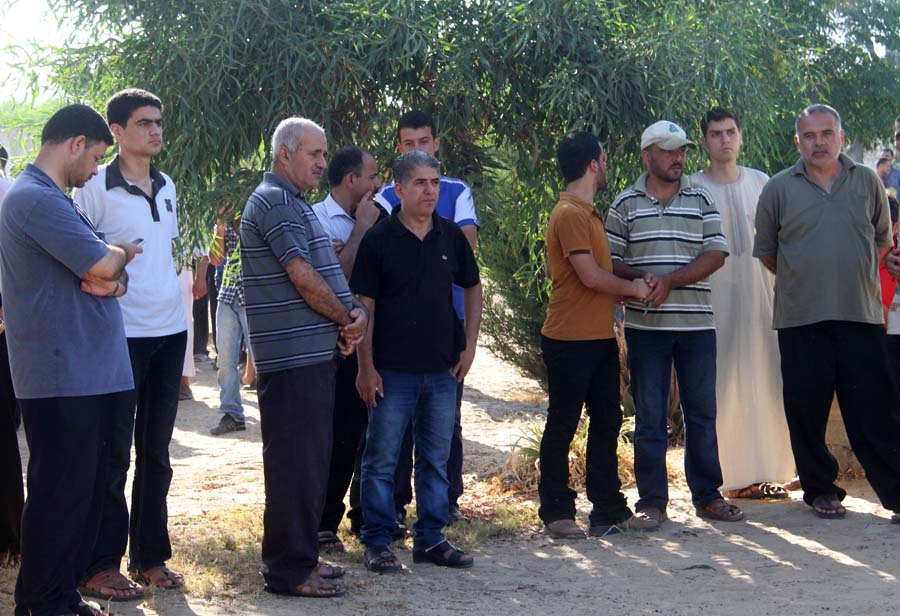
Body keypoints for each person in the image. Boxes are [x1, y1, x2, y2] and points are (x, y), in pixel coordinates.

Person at [0, 104, 140, 616]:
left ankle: (59, 594)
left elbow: (111, 280)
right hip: (61, 376)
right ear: (76, 144)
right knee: (58, 495)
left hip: (81, 373)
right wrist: (119, 252)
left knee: (76, 494)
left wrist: (113, 273)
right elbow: (104, 264)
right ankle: (41, 602)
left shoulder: (53, 199)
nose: (97, 170)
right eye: (97, 157)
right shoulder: (35, 199)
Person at [241, 117, 367, 598]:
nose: (322, 162)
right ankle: (289, 570)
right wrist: (345, 317)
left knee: (309, 462)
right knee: (295, 466)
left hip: (309, 356)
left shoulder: (291, 201)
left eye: (323, 153)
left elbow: (318, 270)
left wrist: (347, 321)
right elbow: (301, 274)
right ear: (284, 155)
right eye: (314, 153)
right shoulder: (274, 201)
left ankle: (302, 556)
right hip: (292, 362)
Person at [757, 104, 900, 522]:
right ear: (797, 140)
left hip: (861, 315)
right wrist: (807, 277)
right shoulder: (778, 189)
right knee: (806, 410)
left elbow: (881, 241)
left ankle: (896, 493)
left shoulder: (868, 181)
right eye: (809, 135)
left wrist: (847, 273)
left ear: (841, 136)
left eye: (826, 133)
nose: (818, 142)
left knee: (875, 411)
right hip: (801, 318)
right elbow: (768, 252)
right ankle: (820, 490)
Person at [75, 89, 187, 597]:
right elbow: (82, 259)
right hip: (119, 334)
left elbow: (165, 256)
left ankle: (150, 557)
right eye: (144, 123)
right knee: (113, 454)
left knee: (157, 453)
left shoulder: (167, 184)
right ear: (117, 131)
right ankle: (101, 564)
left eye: (158, 122)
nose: (155, 130)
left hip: (170, 331)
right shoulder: (94, 186)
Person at [605, 120, 743, 528]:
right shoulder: (625, 203)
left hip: (696, 326)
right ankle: (652, 502)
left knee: (701, 413)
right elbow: (609, 259)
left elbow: (716, 254)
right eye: (668, 151)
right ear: (646, 155)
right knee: (649, 417)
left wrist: (668, 282)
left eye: (681, 150)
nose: (677, 157)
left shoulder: (701, 198)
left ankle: (707, 495)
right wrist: (642, 279)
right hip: (646, 330)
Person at [353, 150, 482, 573]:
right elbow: (365, 306)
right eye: (420, 183)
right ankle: (377, 540)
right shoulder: (378, 240)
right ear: (399, 189)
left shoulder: (451, 237)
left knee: (435, 458)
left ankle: (430, 538)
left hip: (442, 370)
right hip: (391, 372)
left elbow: (473, 287)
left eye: (435, 182)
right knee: (381, 460)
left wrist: (469, 346)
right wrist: (365, 367)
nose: (430, 191)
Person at [538, 133, 652, 539]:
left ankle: (608, 510)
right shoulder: (570, 213)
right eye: (602, 159)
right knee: (563, 422)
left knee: (607, 420)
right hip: (569, 338)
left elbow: (595, 274)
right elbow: (589, 276)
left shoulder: (587, 213)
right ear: (592, 164)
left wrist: (626, 285)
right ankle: (556, 511)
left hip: (598, 337)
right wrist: (633, 288)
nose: (605, 166)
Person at [375, 110, 477, 525]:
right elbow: (382, 245)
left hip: (448, 328)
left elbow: (464, 248)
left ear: (436, 144)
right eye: (408, 143)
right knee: (394, 427)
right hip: (395, 333)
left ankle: (446, 504)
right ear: (399, 148)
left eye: (423, 141)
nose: (417, 148)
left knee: (446, 423)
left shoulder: (457, 190)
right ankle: (394, 508)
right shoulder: (387, 194)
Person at [690, 108, 794, 499]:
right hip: (712, 302)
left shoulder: (762, 182)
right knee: (721, 385)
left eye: (731, 132)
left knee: (767, 378)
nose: (725, 140)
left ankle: (773, 470)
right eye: (716, 134)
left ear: (741, 136)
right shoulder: (692, 187)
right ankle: (729, 478)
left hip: (762, 298)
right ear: (705, 142)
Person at [312, 145, 383, 551]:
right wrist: (360, 233)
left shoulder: (380, 217)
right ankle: (322, 521)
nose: (379, 184)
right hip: (328, 346)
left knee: (364, 434)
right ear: (352, 179)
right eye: (372, 177)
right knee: (333, 435)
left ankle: (367, 517)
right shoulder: (316, 220)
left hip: (369, 341)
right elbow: (333, 281)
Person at [208, 204, 251, 435]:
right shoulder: (223, 222)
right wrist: (220, 227)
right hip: (227, 293)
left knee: (263, 359)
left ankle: (275, 412)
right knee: (225, 360)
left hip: (253, 296)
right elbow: (215, 259)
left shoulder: (254, 213)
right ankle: (232, 413)